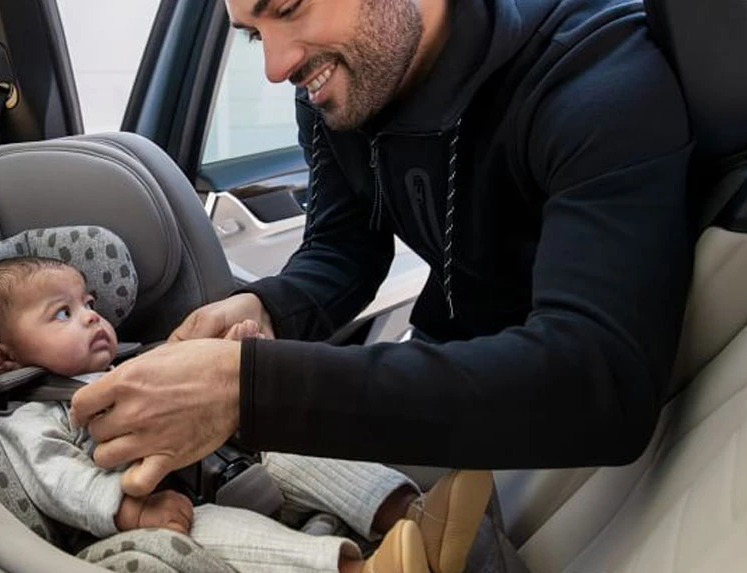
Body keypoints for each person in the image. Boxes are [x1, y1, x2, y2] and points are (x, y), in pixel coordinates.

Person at [69, 0, 694, 498]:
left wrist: (247, 390)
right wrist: (263, 311)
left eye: (287, 7)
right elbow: (344, 253)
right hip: (436, 374)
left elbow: (596, 382)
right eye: (255, 35)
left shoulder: (597, 77)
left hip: (545, 421)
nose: (277, 66)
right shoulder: (334, 86)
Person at [0, 256, 494, 573]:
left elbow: (196, 384)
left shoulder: (127, 366)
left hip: (225, 463)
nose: (91, 317)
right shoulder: (34, 417)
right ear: (3, 358)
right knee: (211, 532)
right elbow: (57, 480)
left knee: (293, 445)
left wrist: (234, 354)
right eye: (61, 313)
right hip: (167, 512)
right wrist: (130, 509)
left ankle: (412, 516)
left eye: (89, 303)